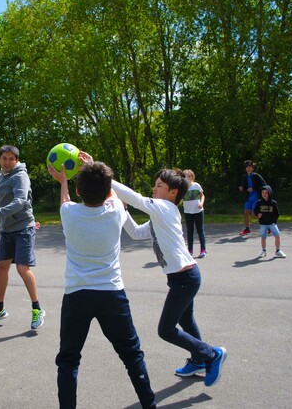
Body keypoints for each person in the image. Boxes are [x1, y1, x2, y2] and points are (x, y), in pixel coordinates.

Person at [48, 153, 156, 409]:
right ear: (108, 191)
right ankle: (150, 405)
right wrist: (92, 165)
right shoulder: (116, 210)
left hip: (77, 295)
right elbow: (112, 193)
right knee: (132, 355)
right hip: (111, 294)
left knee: (68, 360)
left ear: (78, 190)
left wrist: (63, 181)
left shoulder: (69, 213)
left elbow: (66, 200)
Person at [111, 168, 227, 387]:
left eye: (159, 186)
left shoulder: (165, 208)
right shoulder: (160, 215)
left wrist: (106, 179)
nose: (154, 189)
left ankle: (212, 354)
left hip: (185, 279)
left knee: (166, 330)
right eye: (154, 185)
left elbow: (137, 199)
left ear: (173, 192)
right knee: (186, 320)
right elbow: (136, 233)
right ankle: (199, 360)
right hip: (182, 278)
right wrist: (123, 210)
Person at [0, 145, 45, 330]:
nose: (7, 162)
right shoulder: (1, 175)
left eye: (11, 159)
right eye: (4, 158)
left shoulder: (20, 176)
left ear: (16, 161)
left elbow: (20, 201)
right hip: (7, 229)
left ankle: (37, 309)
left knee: (22, 268)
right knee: (1, 267)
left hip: (23, 228)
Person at [253, 185, 287, 258]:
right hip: (263, 223)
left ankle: (278, 251)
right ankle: (263, 251)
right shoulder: (259, 202)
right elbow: (255, 210)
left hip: (272, 223)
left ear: (269, 193)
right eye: (263, 193)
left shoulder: (273, 202)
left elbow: (277, 213)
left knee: (277, 235)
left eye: (266, 193)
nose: (264, 194)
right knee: (263, 237)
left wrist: (274, 221)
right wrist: (257, 214)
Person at [238, 160, 267, 235]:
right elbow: (244, 186)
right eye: (247, 167)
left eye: (250, 167)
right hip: (249, 198)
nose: (249, 168)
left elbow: (263, 184)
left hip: (256, 197)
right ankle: (247, 229)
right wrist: (242, 188)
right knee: (246, 212)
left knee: (254, 214)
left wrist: (253, 188)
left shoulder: (256, 176)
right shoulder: (245, 177)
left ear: (253, 168)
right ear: (245, 169)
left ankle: (268, 225)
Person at [183, 169, 207, 258]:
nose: (189, 178)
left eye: (190, 176)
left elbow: (202, 195)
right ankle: (190, 250)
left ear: (192, 177)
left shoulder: (196, 185)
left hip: (198, 211)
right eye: (187, 176)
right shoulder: (183, 187)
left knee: (200, 230)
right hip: (188, 212)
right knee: (189, 231)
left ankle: (203, 250)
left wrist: (201, 203)